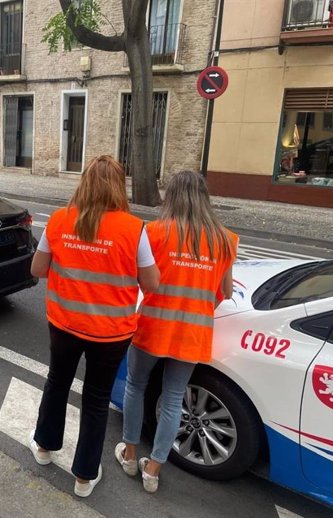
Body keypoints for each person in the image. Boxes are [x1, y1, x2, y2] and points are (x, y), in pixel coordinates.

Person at [27, 155, 160, 498]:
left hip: (64, 324)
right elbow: (152, 284)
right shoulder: (134, 229)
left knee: (57, 381)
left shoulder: (59, 221)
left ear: (83, 183)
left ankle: (44, 447)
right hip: (111, 333)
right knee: (96, 399)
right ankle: (85, 477)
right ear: (119, 186)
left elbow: (37, 270)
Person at [115, 170, 238, 493]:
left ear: (170, 196)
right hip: (193, 332)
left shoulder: (154, 232)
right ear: (204, 198)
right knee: (173, 399)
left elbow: (139, 278)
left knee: (136, 386)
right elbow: (224, 290)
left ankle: (129, 453)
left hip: (153, 326)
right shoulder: (225, 240)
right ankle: (153, 470)